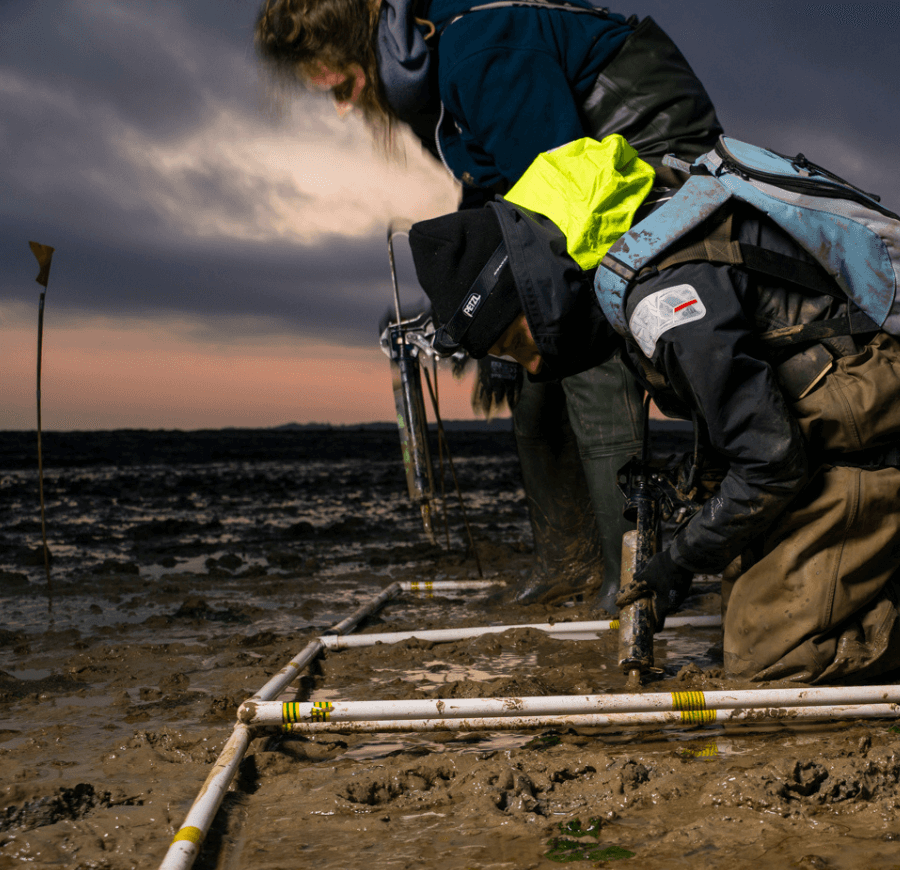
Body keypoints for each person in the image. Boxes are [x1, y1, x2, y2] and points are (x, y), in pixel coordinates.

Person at [407, 137, 900, 683]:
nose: (530, 367)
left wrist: (678, 563)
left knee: (770, 655)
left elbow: (768, 462)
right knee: (747, 603)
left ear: (530, 295)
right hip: (835, 419)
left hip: (870, 434)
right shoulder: (635, 239)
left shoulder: (659, 298)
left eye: (514, 342)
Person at [254, 0, 723, 610]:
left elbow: (561, 188)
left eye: (341, 80)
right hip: (578, 177)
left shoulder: (478, 49)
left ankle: (633, 579)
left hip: (649, 159)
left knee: (585, 363)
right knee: (535, 399)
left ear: (357, 40)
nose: (342, 105)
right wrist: (474, 322)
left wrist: (514, 308)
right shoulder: (437, 63)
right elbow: (493, 190)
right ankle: (571, 566)